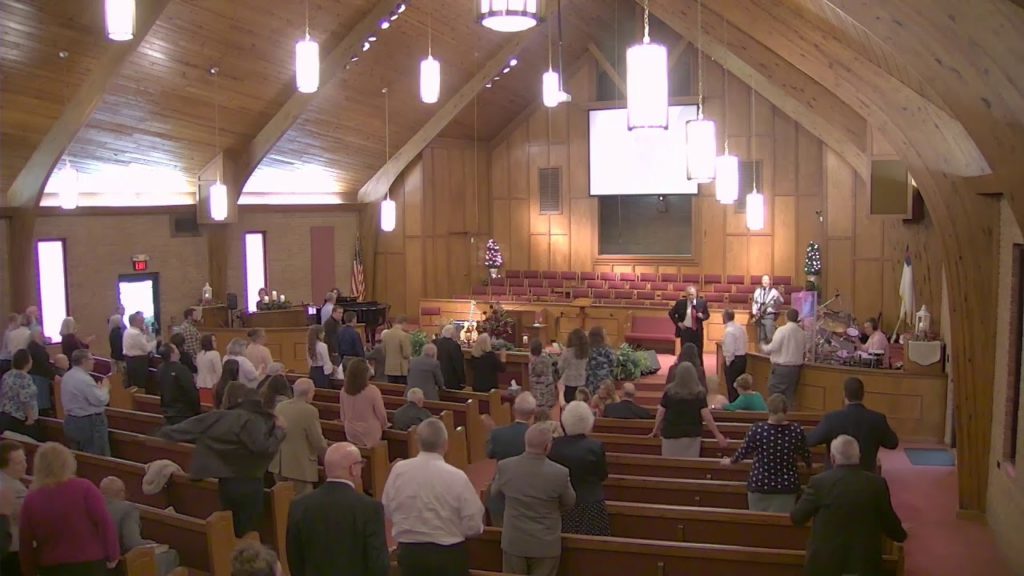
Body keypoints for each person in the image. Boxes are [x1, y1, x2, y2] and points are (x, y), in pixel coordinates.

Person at [156, 385, 286, 537]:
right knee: (248, 531)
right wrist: (280, 431)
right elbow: (263, 447)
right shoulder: (253, 419)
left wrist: (159, 433)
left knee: (232, 528)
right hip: (249, 482)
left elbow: (183, 429)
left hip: (226, 483)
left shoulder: (217, 417)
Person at [791, 435, 907, 576]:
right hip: (863, 564)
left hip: (825, 564)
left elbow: (797, 517)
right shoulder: (876, 484)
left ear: (832, 458)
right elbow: (889, 521)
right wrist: (901, 535)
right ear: (859, 457)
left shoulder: (819, 482)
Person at [383, 418, 484, 576]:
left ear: (418, 442)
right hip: (448, 554)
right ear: (445, 444)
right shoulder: (457, 476)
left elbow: (387, 509)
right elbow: (474, 523)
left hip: (410, 554)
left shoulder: (399, 470)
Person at [286, 442, 389, 576]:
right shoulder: (370, 508)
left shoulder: (299, 504)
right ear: (353, 469)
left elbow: (294, 558)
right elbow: (378, 564)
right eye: (360, 464)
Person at [19, 442, 119, 576]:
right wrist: (112, 554)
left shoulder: (31, 498)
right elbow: (104, 521)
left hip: (52, 567)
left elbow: (25, 539)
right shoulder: (85, 488)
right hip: (89, 563)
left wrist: (28, 570)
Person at [492, 424, 576, 576]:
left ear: (525, 442)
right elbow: (569, 502)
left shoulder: (505, 466)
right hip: (545, 543)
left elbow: (495, 493)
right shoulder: (560, 473)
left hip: (515, 540)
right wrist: (551, 510)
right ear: (547, 446)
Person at [723, 394, 812, 512]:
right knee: (781, 522)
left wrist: (730, 461)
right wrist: (809, 466)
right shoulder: (796, 430)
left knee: (758, 522)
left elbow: (743, 452)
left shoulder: (758, 429)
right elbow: (805, 453)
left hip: (760, 484)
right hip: (786, 486)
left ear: (769, 410)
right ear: (786, 410)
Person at [806, 377, 900, 472]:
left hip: (835, 476)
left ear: (844, 394)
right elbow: (893, 443)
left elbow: (810, 441)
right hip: (866, 476)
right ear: (863, 395)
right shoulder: (877, 419)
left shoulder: (831, 419)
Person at [547, 401, 609, 536]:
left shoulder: (554, 446)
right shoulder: (595, 447)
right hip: (590, 504)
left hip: (560, 504)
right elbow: (602, 475)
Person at [99, 476, 180, 576]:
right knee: (171, 555)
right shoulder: (127, 509)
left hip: (98, 561)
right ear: (121, 493)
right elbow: (132, 543)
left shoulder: (91, 505)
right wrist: (153, 544)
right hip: (120, 564)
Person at [652, 362, 729, 457]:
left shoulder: (669, 392)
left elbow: (661, 413)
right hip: (692, 436)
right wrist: (717, 435)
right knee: (690, 463)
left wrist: (655, 430)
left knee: (671, 464)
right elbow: (707, 416)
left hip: (671, 433)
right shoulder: (699, 393)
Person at [270, 378, 327, 496]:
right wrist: (327, 458)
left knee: (282, 501)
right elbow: (317, 441)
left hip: (279, 464)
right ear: (309, 393)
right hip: (299, 466)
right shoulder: (309, 411)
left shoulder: (280, 406)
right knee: (303, 501)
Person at [61, 350, 112, 456]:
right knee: (96, 456)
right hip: (89, 422)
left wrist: (97, 390)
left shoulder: (67, 376)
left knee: (79, 456)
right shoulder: (84, 379)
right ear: (84, 361)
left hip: (71, 420)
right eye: (91, 359)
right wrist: (105, 388)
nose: (94, 362)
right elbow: (100, 400)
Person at [338, 359, 389, 447]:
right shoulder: (373, 391)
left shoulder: (344, 391)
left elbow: (343, 416)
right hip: (370, 432)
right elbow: (381, 414)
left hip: (351, 432)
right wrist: (384, 425)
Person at [761, 308, 805, 406]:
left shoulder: (782, 330)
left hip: (781, 369)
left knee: (775, 396)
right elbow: (804, 349)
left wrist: (763, 347)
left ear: (786, 317)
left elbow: (773, 347)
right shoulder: (802, 333)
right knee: (789, 397)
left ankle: (775, 415)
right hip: (795, 370)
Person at [0, 441, 28, 574]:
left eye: (25, 460)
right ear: (5, 464)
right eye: (19, 463)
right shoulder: (13, 489)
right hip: (11, 548)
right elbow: (27, 516)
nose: (25, 466)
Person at [0, 349, 40, 440]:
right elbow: (25, 399)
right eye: (30, 359)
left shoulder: (7, 375)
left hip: (5, 415)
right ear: (26, 361)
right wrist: (30, 418)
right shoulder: (24, 377)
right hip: (20, 419)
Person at [157, 343, 200, 425]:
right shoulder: (181, 370)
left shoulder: (160, 369)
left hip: (167, 412)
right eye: (176, 349)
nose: (178, 352)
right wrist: (197, 410)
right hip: (183, 414)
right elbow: (191, 391)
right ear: (172, 354)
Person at [668, 285, 709, 362]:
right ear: (686, 295)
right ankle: (684, 367)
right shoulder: (680, 303)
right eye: (689, 295)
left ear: (696, 294)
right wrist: (678, 323)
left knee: (698, 352)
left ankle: (699, 368)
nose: (690, 297)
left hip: (697, 332)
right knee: (685, 352)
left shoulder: (702, 303)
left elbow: (707, 315)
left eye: (692, 295)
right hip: (685, 331)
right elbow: (671, 313)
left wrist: (702, 316)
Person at [122, 311, 156, 390]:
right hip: (138, 362)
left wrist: (145, 334)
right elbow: (146, 348)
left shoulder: (128, 331)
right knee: (140, 384)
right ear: (135, 322)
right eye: (141, 320)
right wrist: (156, 341)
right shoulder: (136, 333)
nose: (143, 322)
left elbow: (141, 342)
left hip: (130, 361)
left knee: (134, 384)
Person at [721, 308, 748, 402]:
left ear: (724, 317)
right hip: (742, 359)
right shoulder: (740, 327)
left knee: (732, 388)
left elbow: (730, 350)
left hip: (734, 362)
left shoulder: (729, 331)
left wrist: (727, 363)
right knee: (741, 387)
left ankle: (734, 407)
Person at [26, 331, 55, 416]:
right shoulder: (36, 348)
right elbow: (43, 364)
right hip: (39, 377)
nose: (43, 336)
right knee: (41, 402)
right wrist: (53, 375)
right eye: (41, 334)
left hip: (38, 376)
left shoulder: (33, 347)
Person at [557, 329, 588, 405]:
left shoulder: (567, 352)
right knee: (580, 404)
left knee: (568, 405)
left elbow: (560, 367)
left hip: (568, 382)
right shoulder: (586, 352)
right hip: (581, 381)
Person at [584, 327, 616, 394]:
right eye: (605, 334)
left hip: (591, 381)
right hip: (605, 381)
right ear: (601, 337)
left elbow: (585, 365)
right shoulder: (607, 349)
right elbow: (613, 363)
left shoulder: (587, 349)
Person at [752, 275, 783, 343]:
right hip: (759, 317)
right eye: (763, 280)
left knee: (770, 338)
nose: (765, 281)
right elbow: (754, 302)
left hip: (769, 316)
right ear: (761, 281)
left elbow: (781, 302)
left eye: (766, 280)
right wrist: (755, 312)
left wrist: (777, 299)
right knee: (760, 338)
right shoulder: (758, 291)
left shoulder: (774, 291)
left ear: (769, 281)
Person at [527, 339, 556, 411]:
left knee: (539, 412)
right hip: (548, 391)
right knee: (547, 411)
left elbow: (538, 372)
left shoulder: (534, 362)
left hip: (539, 392)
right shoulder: (547, 358)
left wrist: (532, 361)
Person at [382, 317, 413, 384]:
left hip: (389, 369)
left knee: (391, 389)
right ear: (404, 323)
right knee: (401, 389)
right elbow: (406, 354)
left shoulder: (386, 334)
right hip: (400, 369)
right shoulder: (404, 335)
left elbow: (384, 352)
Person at [436, 325, 466, 391]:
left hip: (439, 378)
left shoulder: (437, 343)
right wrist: (462, 380)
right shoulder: (454, 345)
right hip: (451, 380)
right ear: (452, 334)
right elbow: (458, 364)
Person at [196, 334, 222, 405]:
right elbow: (219, 372)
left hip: (201, 384)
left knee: (204, 405)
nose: (216, 342)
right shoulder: (215, 354)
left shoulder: (199, 354)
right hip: (212, 384)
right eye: (213, 341)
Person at [305, 325, 334, 389]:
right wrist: (331, 370)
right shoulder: (322, 346)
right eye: (323, 332)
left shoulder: (309, 346)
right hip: (322, 373)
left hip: (313, 372)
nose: (324, 334)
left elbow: (309, 361)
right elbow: (326, 362)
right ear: (319, 334)